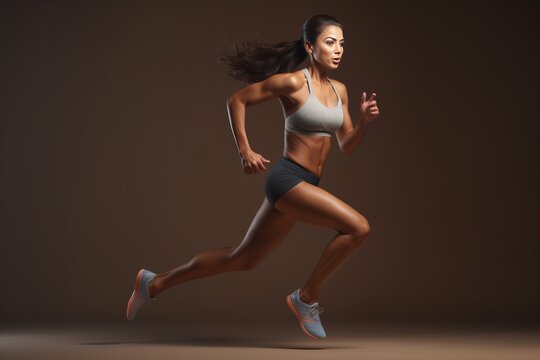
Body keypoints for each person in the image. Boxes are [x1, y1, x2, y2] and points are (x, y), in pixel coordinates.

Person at [126, 14, 380, 340]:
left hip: (307, 184)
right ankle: (306, 298)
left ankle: (154, 282)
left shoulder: (340, 90)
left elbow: (346, 145)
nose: (338, 49)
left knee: (243, 258)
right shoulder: (292, 82)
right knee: (359, 228)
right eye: (330, 42)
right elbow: (238, 100)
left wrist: (364, 123)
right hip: (288, 179)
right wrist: (244, 149)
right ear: (309, 46)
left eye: (342, 43)